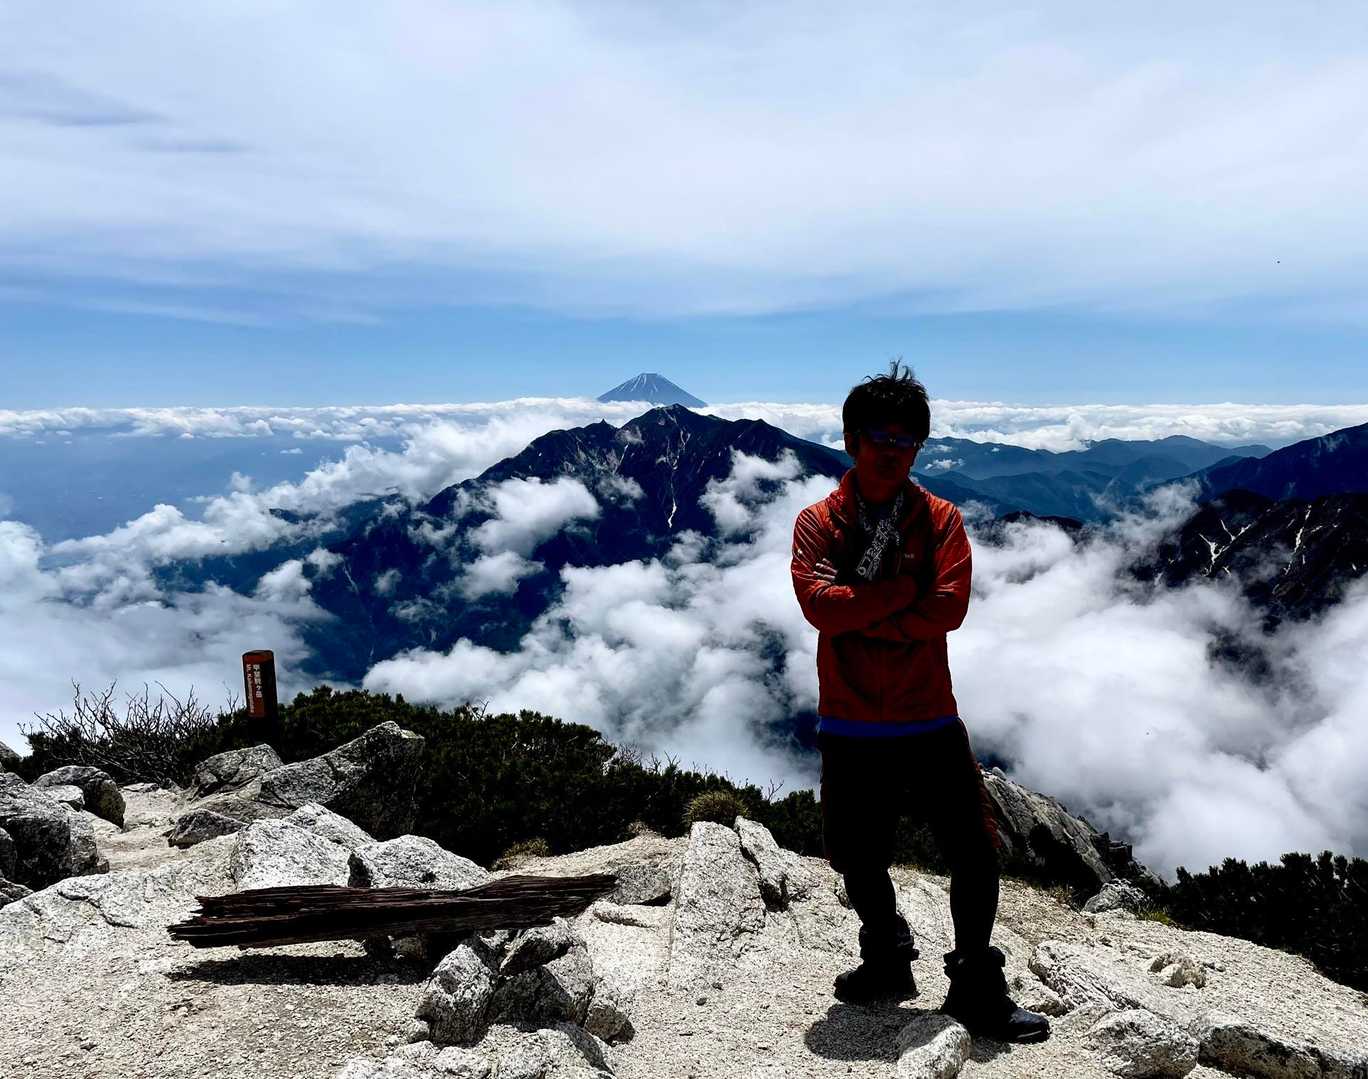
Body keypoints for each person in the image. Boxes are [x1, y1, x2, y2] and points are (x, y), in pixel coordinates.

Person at [789, 360, 1049, 1043]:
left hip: (926, 713)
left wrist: (863, 612)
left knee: (975, 851)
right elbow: (820, 606)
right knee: (857, 855)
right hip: (853, 717)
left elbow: (948, 609)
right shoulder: (818, 524)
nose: (893, 451)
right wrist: (904, 595)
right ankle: (887, 958)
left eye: (907, 440)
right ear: (851, 440)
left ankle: (974, 984)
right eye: (880, 437)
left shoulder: (940, 521)